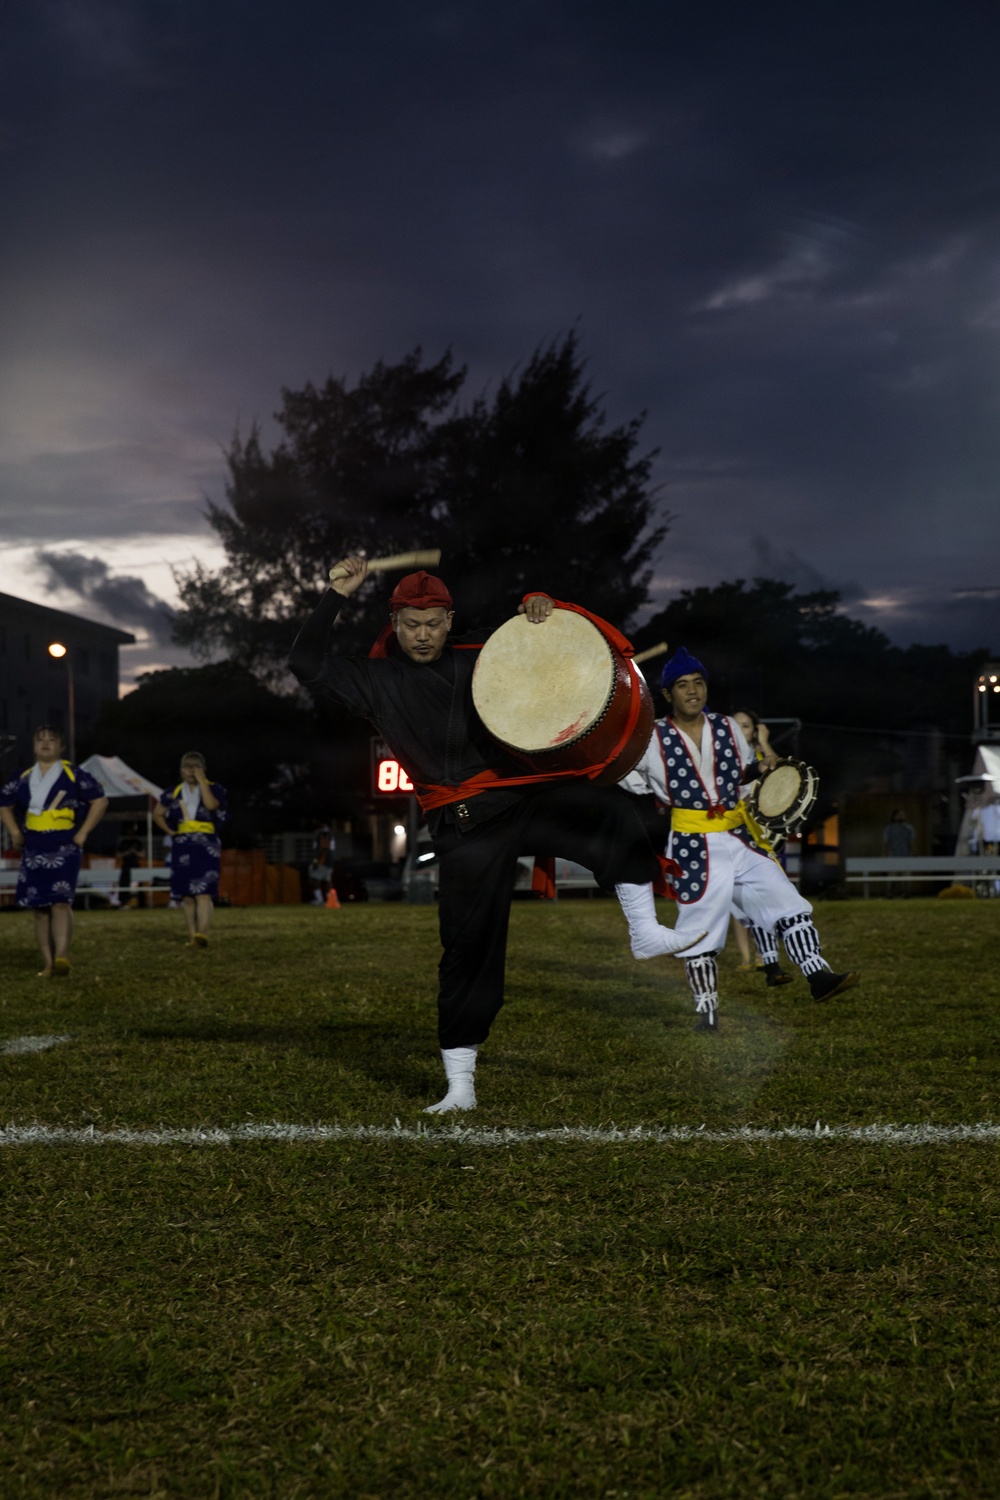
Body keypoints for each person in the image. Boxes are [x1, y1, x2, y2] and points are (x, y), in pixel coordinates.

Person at [288, 558, 699, 1113]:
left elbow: (538, 649)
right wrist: (335, 595)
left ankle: (645, 929)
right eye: (412, 624)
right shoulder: (374, 680)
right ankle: (460, 1085)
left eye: (434, 622)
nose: (424, 634)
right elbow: (305, 663)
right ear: (395, 622)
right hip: (463, 825)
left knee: (608, 810)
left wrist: (540, 610)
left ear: (449, 619)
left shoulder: (480, 655)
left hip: (517, 798)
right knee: (468, 950)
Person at [617, 648, 860, 1031]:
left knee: (786, 900)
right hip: (693, 843)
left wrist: (759, 769)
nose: (693, 691)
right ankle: (707, 1011)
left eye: (699, 683)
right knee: (698, 927)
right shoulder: (651, 739)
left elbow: (741, 773)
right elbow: (627, 780)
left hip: (740, 834)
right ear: (668, 695)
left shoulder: (728, 726)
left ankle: (818, 976)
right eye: (683, 686)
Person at [0, 724, 108, 976]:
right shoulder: (23, 777)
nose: (46, 743)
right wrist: (15, 831)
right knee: (39, 907)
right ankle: (48, 963)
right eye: (40, 739)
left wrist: (83, 832)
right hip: (33, 844)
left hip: (64, 843)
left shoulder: (74, 773)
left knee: (60, 902)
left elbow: (100, 801)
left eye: (52, 739)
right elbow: (4, 803)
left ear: (62, 746)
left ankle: (61, 956)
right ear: (34, 746)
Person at [153, 753, 226, 946]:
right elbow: (158, 813)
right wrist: (170, 830)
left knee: (204, 891)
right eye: (186, 767)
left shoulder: (214, 789)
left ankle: (203, 933)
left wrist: (202, 781)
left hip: (206, 844)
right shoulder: (173, 792)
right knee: (187, 895)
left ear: (202, 768)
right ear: (181, 770)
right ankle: (192, 935)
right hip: (183, 844)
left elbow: (211, 805)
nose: (190, 771)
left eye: (195, 767)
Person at [308, 824, 336, 905]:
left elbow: (324, 849)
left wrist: (318, 862)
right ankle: (330, 899)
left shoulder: (323, 835)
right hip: (329, 862)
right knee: (327, 880)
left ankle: (319, 899)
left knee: (314, 879)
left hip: (324, 862)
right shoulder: (328, 835)